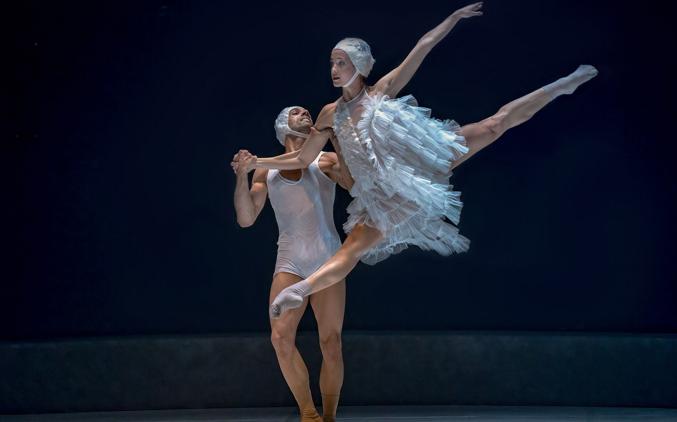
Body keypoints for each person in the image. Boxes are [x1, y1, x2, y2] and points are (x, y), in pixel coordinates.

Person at [245, 2, 598, 319]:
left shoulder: (380, 90)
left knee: (494, 125)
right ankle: (299, 291)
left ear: (360, 66)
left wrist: (453, 18)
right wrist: (258, 162)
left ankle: (561, 86)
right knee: (352, 250)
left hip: (418, 160)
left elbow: (422, 48)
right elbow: (304, 156)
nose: (334, 70)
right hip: (383, 196)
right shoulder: (329, 114)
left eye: (342, 63)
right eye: (332, 63)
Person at [231, 106, 353, 422]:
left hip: (327, 259)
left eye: (307, 112)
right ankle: (308, 414)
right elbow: (246, 219)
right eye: (296, 112)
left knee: (331, 342)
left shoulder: (324, 159)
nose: (305, 113)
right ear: (282, 125)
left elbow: (352, 186)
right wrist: (242, 176)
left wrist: (337, 141)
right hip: (290, 261)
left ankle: (329, 417)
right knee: (280, 337)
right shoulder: (265, 171)